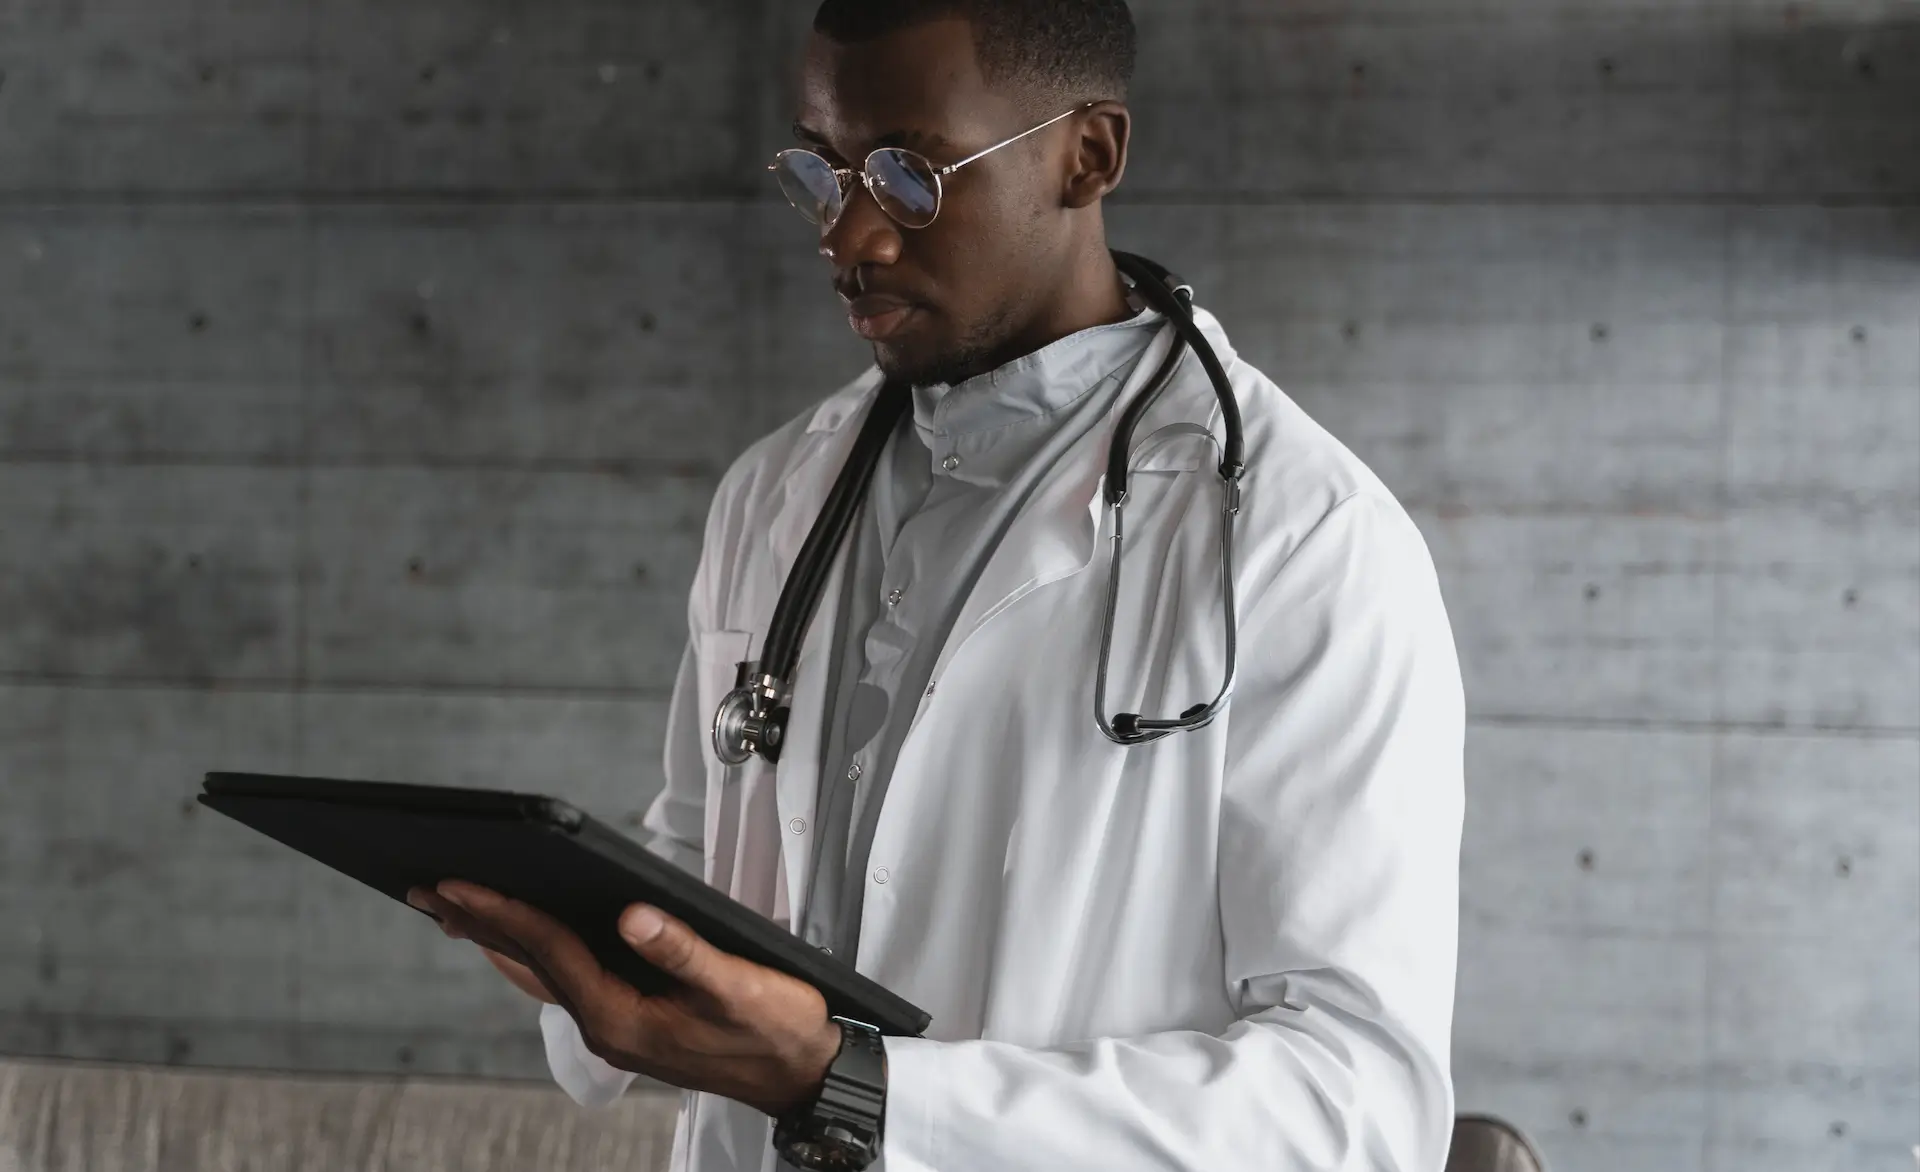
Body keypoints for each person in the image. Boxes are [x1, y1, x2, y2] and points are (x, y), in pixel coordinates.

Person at [407, 1, 1465, 1169]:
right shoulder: (775, 494)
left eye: (910, 174)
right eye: (823, 168)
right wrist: (611, 952)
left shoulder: (1299, 538)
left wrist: (852, 1087)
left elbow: (1355, 1108)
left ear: (1089, 154)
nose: (848, 235)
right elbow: (714, 861)